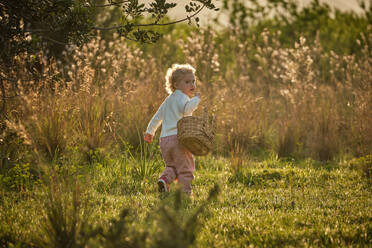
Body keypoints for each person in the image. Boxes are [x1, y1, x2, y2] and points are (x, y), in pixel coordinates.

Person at [144, 64, 200, 195]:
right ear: (175, 85)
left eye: (193, 81)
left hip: (165, 141)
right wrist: (196, 100)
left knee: (172, 166)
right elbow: (186, 111)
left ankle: (164, 180)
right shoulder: (182, 97)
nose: (192, 84)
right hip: (179, 140)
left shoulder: (168, 100)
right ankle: (185, 193)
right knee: (185, 167)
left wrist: (150, 131)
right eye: (187, 82)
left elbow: (157, 117)